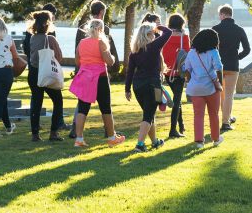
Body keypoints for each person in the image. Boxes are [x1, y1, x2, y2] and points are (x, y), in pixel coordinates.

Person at [69, 18, 125, 148]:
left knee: (82, 108)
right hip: (100, 77)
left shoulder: (82, 42)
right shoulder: (101, 42)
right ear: (101, 30)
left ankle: (79, 139)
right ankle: (111, 137)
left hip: (84, 77)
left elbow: (78, 61)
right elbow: (109, 61)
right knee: (105, 108)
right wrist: (113, 57)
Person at [124, 20, 172, 152]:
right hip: (153, 85)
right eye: (153, 33)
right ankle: (139, 144)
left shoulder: (134, 52)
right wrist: (158, 27)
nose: (155, 36)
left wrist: (127, 89)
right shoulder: (153, 46)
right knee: (148, 116)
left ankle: (155, 142)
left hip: (138, 85)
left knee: (149, 114)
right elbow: (168, 32)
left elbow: (129, 72)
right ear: (149, 34)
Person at [25, 10, 66, 142]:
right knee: (58, 101)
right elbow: (59, 57)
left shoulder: (32, 38)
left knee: (36, 103)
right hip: (47, 73)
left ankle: (35, 134)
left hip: (34, 73)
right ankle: (53, 132)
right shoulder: (50, 39)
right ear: (47, 23)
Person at [183, 28, 224, 149]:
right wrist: (219, 84)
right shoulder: (213, 52)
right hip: (211, 87)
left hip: (196, 88)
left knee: (198, 115)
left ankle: (199, 141)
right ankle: (216, 139)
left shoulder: (191, 52)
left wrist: (191, 80)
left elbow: (187, 69)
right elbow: (218, 69)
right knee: (214, 114)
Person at [212, 4, 250, 132]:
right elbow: (247, 49)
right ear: (231, 14)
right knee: (229, 95)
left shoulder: (215, 29)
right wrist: (237, 57)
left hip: (218, 67)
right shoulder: (239, 29)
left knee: (221, 95)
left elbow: (210, 48)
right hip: (233, 66)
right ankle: (226, 122)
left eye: (219, 15)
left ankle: (225, 118)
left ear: (222, 15)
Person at [162, 13, 190, 138]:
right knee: (177, 99)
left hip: (167, 71)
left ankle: (181, 125)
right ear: (181, 24)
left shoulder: (164, 36)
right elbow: (188, 54)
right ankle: (173, 130)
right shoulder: (184, 37)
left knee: (177, 98)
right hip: (178, 72)